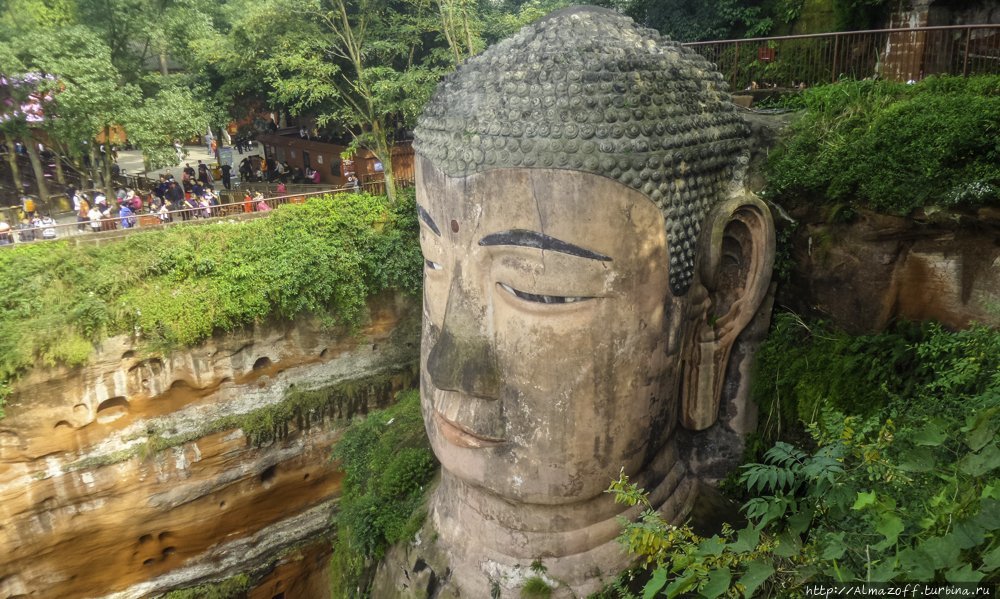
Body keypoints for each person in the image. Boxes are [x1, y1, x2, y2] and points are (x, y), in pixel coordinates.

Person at [408, 7, 775, 597]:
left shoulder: (739, 579)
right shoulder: (396, 532)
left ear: (724, 292)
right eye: (432, 260)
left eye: (538, 288)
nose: (448, 367)